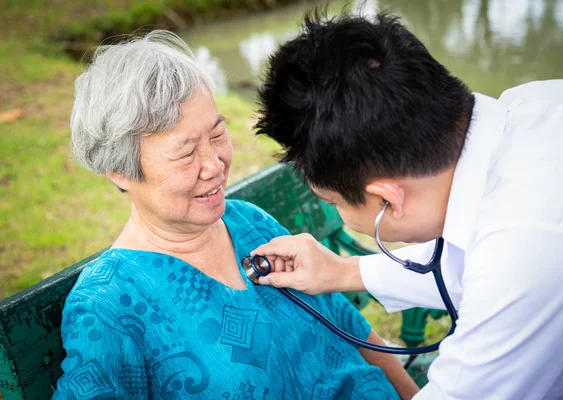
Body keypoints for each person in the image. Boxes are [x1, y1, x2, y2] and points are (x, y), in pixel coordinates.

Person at [52, 30, 420, 399]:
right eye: (185, 153)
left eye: (217, 135)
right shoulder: (109, 304)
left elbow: (345, 323)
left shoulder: (247, 221)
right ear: (120, 171)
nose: (214, 165)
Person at [252, 11, 563, 400]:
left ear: (388, 199)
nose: (342, 218)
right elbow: (472, 265)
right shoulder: (544, 102)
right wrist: (343, 271)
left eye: (333, 202)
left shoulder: (528, 252)